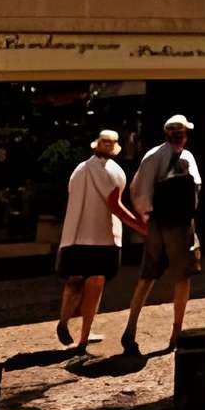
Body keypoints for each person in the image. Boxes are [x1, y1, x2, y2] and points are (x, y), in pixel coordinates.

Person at [120, 115, 202, 357]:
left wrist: (146, 220)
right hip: (181, 224)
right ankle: (176, 331)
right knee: (183, 276)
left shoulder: (153, 156)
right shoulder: (188, 157)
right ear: (183, 135)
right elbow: (195, 191)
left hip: (157, 222)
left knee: (147, 275)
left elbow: (140, 191)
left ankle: (131, 326)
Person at [56, 131, 144, 354]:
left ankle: (64, 321)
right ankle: (84, 337)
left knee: (74, 281)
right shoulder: (114, 172)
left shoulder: (79, 169)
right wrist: (139, 225)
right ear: (114, 149)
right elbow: (115, 205)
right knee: (95, 284)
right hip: (103, 238)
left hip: (74, 236)